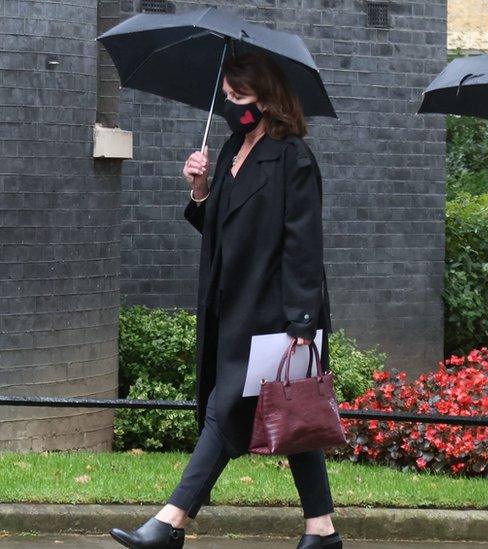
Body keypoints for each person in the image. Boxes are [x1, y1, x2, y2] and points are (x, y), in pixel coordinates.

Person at [109, 53, 340, 549]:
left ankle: (170, 522)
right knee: (291, 411)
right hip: (231, 306)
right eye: (228, 98)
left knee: (224, 409)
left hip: (275, 313)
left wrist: (301, 322)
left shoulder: (293, 156)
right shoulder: (236, 145)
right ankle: (322, 529)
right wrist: (200, 192)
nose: (232, 106)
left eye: (241, 98)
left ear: (268, 98)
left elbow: (304, 243)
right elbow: (220, 227)